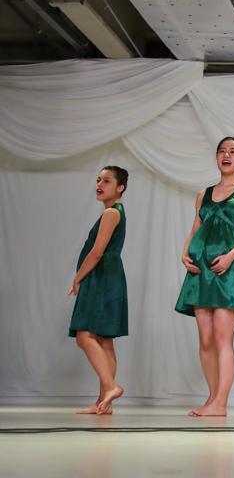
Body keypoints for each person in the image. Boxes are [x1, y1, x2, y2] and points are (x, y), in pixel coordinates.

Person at [175, 137, 234, 417]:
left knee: (224, 339)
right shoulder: (204, 193)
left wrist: (230, 256)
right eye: (222, 151)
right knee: (206, 339)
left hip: (227, 270)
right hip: (200, 271)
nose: (226, 155)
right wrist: (185, 253)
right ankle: (212, 399)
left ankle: (221, 403)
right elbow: (195, 228)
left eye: (233, 152)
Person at [68, 166, 129, 415]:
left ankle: (111, 387)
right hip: (110, 277)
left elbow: (96, 252)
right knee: (104, 341)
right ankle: (104, 403)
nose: (99, 184)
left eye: (106, 180)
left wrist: (78, 278)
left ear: (120, 187)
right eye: (98, 180)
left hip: (102, 277)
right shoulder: (115, 213)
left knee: (85, 337)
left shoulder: (111, 214)